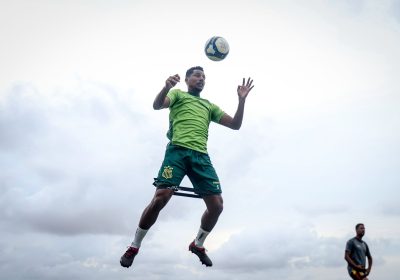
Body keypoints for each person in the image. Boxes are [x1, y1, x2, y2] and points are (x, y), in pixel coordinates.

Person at [120, 66, 254, 268]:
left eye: (204, 77)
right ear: (187, 79)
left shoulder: (209, 106)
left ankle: (198, 244)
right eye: (197, 76)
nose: (201, 79)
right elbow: (157, 105)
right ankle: (134, 246)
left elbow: (235, 125)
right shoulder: (177, 95)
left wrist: (241, 100)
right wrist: (165, 87)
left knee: (217, 206)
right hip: (177, 152)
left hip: (200, 157)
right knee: (160, 198)